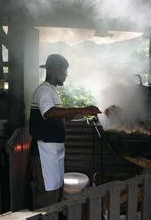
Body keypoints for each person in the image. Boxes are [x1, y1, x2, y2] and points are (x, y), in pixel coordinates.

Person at [29, 54, 101, 209]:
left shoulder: (52, 90)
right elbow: (49, 113)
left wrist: (82, 114)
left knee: (55, 189)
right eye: (64, 71)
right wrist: (81, 108)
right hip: (44, 150)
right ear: (54, 70)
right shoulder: (44, 90)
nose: (66, 75)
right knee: (48, 192)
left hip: (53, 150)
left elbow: (57, 117)